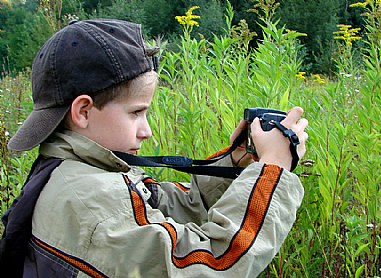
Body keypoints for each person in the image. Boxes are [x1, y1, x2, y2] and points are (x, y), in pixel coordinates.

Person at [2, 18, 308, 277]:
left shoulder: (76, 172)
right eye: (136, 113)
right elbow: (214, 263)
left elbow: (177, 206)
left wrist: (238, 162)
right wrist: (273, 169)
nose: (146, 131)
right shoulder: (94, 205)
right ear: (83, 111)